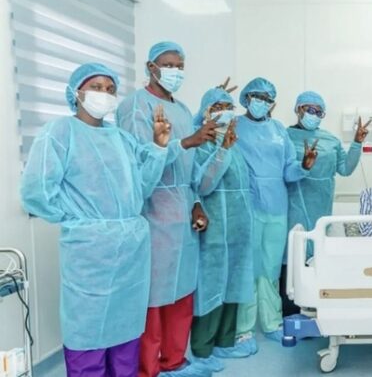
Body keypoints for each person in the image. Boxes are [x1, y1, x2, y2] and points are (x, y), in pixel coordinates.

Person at [20, 63, 170, 377]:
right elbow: (36, 191)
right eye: (96, 87)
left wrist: (158, 147)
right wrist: (78, 222)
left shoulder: (122, 139)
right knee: (87, 330)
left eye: (110, 89)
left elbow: (141, 188)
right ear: (77, 92)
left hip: (130, 251)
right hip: (89, 251)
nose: (104, 94)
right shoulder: (60, 132)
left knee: (126, 331)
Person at [117, 41, 218, 377]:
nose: (176, 71)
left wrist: (196, 203)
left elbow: (189, 170)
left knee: (181, 291)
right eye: (169, 64)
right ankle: (148, 368)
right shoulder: (135, 106)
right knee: (153, 297)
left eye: (180, 65)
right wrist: (186, 142)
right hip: (153, 213)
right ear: (151, 67)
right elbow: (140, 166)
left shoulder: (183, 110)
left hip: (182, 214)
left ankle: (175, 360)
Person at [234, 77, 317, 346]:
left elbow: (288, 171)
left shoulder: (279, 130)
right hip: (248, 205)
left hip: (277, 206)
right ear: (247, 97)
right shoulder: (234, 125)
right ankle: (243, 329)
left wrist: (304, 166)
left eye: (267, 99)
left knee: (270, 268)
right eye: (257, 96)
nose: (262, 102)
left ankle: (272, 322)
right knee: (248, 268)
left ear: (273, 103)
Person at [189, 84, 256, 372]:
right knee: (212, 287)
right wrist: (222, 151)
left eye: (228, 107)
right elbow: (203, 185)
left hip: (238, 230)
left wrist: (228, 147)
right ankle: (203, 348)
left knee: (234, 284)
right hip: (214, 230)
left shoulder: (235, 146)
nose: (224, 112)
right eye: (217, 108)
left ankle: (225, 342)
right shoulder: (201, 145)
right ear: (205, 113)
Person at [283, 91, 368, 315]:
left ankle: (314, 310)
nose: (313, 114)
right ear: (298, 109)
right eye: (309, 109)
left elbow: (345, 169)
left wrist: (357, 143)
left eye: (318, 111)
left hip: (321, 205)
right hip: (293, 203)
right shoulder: (284, 136)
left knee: (317, 257)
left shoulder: (330, 140)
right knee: (292, 255)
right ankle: (289, 313)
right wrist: (303, 165)